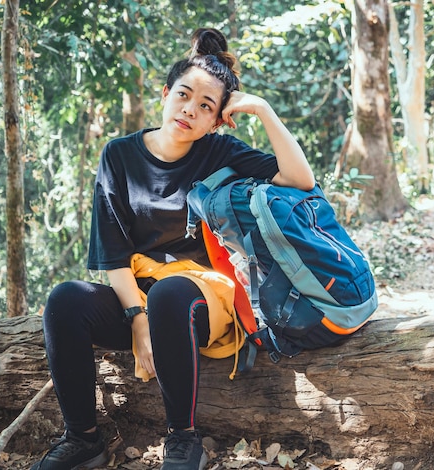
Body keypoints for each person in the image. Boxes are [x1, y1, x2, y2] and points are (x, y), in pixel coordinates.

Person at [32, 27, 315, 470]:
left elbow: (300, 179)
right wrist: (135, 319)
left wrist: (262, 110)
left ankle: (183, 438)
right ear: (165, 93)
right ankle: (83, 438)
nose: (190, 110)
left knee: (170, 294)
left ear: (217, 120)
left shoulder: (218, 152)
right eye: (183, 95)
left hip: (203, 298)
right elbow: (112, 252)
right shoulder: (119, 155)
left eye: (206, 106)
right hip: (143, 296)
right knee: (65, 300)